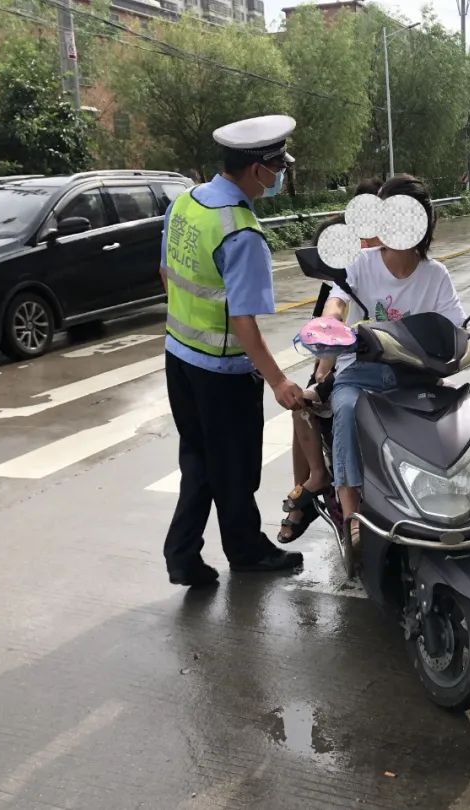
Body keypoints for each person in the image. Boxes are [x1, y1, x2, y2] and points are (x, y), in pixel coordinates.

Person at [278, 175, 470, 574]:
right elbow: (337, 302)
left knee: (465, 417)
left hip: (417, 378)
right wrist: (330, 324)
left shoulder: (435, 275)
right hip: (362, 374)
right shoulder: (361, 265)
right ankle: (351, 514)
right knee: (346, 409)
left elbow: (455, 325)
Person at [159, 114, 306, 588]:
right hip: (222, 373)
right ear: (257, 170)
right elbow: (245, 323)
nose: (280, 174)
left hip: (179, 358)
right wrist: (279, 381)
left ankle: (182, 556)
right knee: (236, 467)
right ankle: (245, 552)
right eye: (278, 165)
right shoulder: (241, 233)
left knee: (200, 461)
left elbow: (166, 273)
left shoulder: (186, 202)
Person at [286, 177, 383, 523]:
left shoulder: (414, 269)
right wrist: (322, 374)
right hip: (346, 365)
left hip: (399, 366)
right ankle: (313, 483)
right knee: (302, 402)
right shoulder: (347, 269)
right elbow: (332, 322)